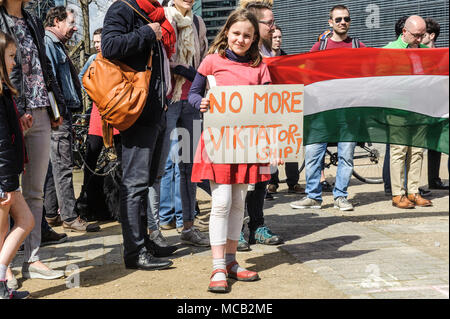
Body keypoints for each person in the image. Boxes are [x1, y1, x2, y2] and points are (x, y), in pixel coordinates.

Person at [188, 7, 274, 293]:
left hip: (248, 142)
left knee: (239, 202)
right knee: (222, 201)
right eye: (236, 33)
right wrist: (199, 103)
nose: (241, 39)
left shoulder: (260, 66)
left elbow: (269, 104)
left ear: (254, 38)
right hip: (219, 139)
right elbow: (193, 94)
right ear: (227, 33)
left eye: (247, 35)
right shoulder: (212, 61)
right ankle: (216, 268)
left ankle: (231, 261)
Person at [102, 0, 175, 270]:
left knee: (143, 185)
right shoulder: (122, 8)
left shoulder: (152, 14)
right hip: (137, 113)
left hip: (156, 111)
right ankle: (134, 252)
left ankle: (144, 242)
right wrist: (147, 33)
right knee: (134, 185)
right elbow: (108, 47)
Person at [0, 0, 67, 283]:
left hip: (40, 109)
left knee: (36, 190)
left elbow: (44, 68)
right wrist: (13, 106)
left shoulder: (34, 20)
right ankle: (5, 263)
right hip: (10, 110)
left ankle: (34, 258)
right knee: (6, 195)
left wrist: (56, 105)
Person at [290, 4, 366, 212]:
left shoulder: (359, 47)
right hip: (321, 112)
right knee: (313, 153)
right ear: (330, 22)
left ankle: (340, 196)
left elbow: (372, 76)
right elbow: (306, 76)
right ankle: (313, 197)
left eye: (346, 19)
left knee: (346, 156)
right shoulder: (319, 48)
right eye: (339, 19)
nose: (343, 22)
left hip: (348, 113)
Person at [43, 6, 100, 233]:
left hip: (60, 112)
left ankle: (51, 214)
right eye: (70, 22)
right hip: (58, 114)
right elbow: (49, 81)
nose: (74, 27)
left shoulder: (55, 44)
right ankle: (69, 216)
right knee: (63, 166)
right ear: (57, 21)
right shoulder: (50, 44)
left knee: (53, 165)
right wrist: (58, 114)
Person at [238, 0, 283, 251]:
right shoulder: (243, 52)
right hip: (241, 127)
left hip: (265, 125)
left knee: (262, 176)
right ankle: (238, 229)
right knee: (242, 179)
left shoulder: (273, 54)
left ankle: (257, 226)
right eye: (269, 23)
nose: (273, 28)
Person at [383, 15, 432, 209]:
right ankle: (397, 194)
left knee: (418, 152)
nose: (420, 40)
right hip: (398, 109)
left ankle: (413, 191)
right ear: (404, 32)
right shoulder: (389, 51)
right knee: (399, 151)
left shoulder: (426, 52)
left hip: (419, 109)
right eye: (416, 35)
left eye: (422, 35)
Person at [0, 30, 34, 299]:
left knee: (25, 221)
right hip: (4, 179)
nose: (14, 63)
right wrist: (8, 183)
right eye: (10, 56)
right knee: (22, 222)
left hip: (7, 176)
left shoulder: (3, 92)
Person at [77, 27, 122, 220]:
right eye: (94, 42)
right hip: (98, 112)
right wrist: (96, 93)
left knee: (121, 158)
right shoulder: (92, 60)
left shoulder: (119, 56)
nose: (96, 45)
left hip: (117, 111)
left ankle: (121, 203)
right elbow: (81, 79)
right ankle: (86, 201)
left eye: (99, 41)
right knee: (91, 155)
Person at [267, 24, 304, 197]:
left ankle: (293, 182)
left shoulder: (287, 59)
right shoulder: (262, 58)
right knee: (270, 146)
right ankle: (272, 182)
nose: (278, 40)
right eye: (274, 37)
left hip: (286, 107)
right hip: (268, 108)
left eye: (280, 37)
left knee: (290, 144)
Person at [421, 17, 448, 190]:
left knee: (436, 144)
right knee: (416, 148)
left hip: (439, 106)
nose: (418, 38)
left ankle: (434, 179)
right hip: (421, 105)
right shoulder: (416, 53)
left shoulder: (442, 56)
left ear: (431, 36)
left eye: (422, 35)